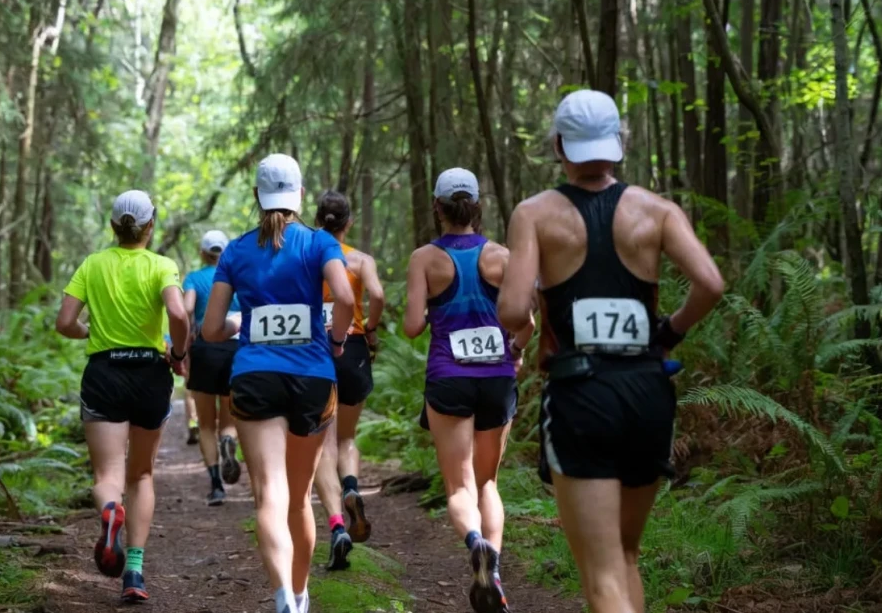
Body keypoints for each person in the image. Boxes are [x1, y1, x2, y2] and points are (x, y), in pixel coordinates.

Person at [497, 90, 724, 613]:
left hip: (581, 395)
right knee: (626, 554)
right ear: (619, 142)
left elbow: (511, 311)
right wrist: (670, 331)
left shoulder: (535, 214)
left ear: (559, 145)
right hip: (649, 392)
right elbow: (710, 283)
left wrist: (536, 313)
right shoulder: (658, 210)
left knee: (600, 577)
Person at [202, 154, 355, 613]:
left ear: (256, 196)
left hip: (255, 376)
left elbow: (209, 330)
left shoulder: (235, 250)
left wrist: (236, 325)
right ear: (300, 195)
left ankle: (283, 597)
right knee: (300, 499)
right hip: (312, 376)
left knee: (270, 493)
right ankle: (302, 595)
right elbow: (344, 297)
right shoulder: (320, 242)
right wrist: (337, 338)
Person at [402, 168, 532, 613]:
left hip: (448, 378)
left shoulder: (425, 258)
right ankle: (492, 569)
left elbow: (413, 326)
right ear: (478, 206)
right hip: (497, 380)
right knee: (487, 482)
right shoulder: (503, 256)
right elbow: (527, 323)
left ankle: (474, 542)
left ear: (437, 207)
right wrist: (514, 350)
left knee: (459, 487)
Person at [54, 190, 192, 604]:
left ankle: (111, 510)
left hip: (105, 373)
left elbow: (64, 323)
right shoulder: (162, 265)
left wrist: (89, 333)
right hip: (150, 374)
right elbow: (179, 314)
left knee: (107, 478)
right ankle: (134, 570)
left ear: (114, 226)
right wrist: (179, 354)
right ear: (150, 227)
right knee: (143, 475)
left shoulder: (92, 264)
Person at [310, 190, 385, 571]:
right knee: (348, 438)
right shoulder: (359, 259)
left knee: (325, 442)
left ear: (317, 219)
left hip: (317, 348)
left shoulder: (311, 255)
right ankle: (352, 487)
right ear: (349, 223)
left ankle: (337, 522)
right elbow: (377, 293)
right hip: (353, 348)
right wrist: (370, 328)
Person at [183, 229, 244, 505]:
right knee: (229, 420)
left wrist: (183, 347)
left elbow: (186, 309)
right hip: (235, 349)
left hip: (205, 351)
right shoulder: (236, 276)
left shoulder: (194, 278)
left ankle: (217, 485)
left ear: (202, 253)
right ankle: (229, 442)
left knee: (206, 424)